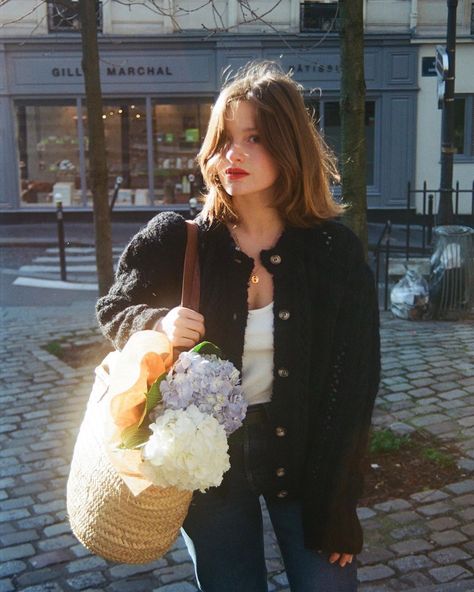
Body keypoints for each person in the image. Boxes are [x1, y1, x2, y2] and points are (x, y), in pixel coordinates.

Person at [96, 61, 380, 592]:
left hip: (304, 458)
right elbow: (114, 310)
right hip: (206, 462)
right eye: (225, 138)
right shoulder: (175, 240)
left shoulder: (332, 253)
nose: (233, 153)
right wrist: (156, 321)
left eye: (254, 137)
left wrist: (341, 501)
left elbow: (355, 387)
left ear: (289, 145)